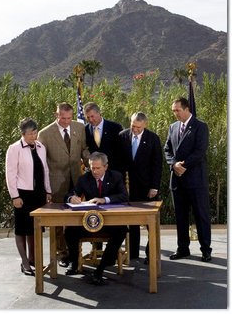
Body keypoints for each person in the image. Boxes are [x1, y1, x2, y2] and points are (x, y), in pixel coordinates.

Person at [38, 102, 90, 267]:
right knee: (59, 221)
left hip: (76, 180)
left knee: (76, 217)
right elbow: (41, 163)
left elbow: (83, 150)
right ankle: (62, 254)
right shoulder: (45, 134)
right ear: (56, 115)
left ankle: (75, 251)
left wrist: (94, 163)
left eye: (69, 118)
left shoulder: (79, 128)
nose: (66, 121)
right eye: (63, 118)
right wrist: (45, 187)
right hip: (56, 182)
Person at [64, 152, 128, 285]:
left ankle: (101, 268)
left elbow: (124, 196)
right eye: (92, 168)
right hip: (90, 222)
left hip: (110, 223)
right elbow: (71, 193)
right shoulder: (84, 179)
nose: (95, 171)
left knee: (121, 230)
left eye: (98, 168)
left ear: (106, 166)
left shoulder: (115, 176)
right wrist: (72, 198)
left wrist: (105, 200)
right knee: (70, 231)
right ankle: (74, 262)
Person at [164, 97, 212, 262]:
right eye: (173, 111)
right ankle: (182, 248)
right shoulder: (173, 127)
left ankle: (206, 249)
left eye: (177, 110)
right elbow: (167, 149)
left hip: (195, 180)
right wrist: (173, 164)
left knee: (201, 216)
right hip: (177, 180)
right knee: (181, 217)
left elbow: (200, 151)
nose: (175, 113)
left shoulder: (200, 126)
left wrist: (183, 165)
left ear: (186, 109)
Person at [5, 118, 52, 275]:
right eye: (30, 133)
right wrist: (14, 196)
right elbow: (10, 174)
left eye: (35, 132)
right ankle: (25, 262)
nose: (33, 136)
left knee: (35, 228)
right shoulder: (14, 149)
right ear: (22, 133)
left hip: (38, 194)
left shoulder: (40, 147)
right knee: (21, 229)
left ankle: (34, 259)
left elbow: (45, 170)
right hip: (22, 194)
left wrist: (48, 191)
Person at [118, 112, 162, 263]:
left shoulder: (153, 138)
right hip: (128, 186)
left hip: (147, 187)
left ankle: (151, 254)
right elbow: (118, 164)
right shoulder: (122, 136)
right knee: (132, 222)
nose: (135, 129)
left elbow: (157, 165)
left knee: (151, 223)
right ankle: (133, 253)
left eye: (138, 127)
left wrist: (154, 187)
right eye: (132, 126)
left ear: (145, 125)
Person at [84, 102, 123, 171]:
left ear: (99, 113)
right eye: (88, 117)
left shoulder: (115, 127)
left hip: (113, 170)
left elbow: (121, 150)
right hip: (95, 172)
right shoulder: (85, 130)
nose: (90, 120)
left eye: (92, 116)